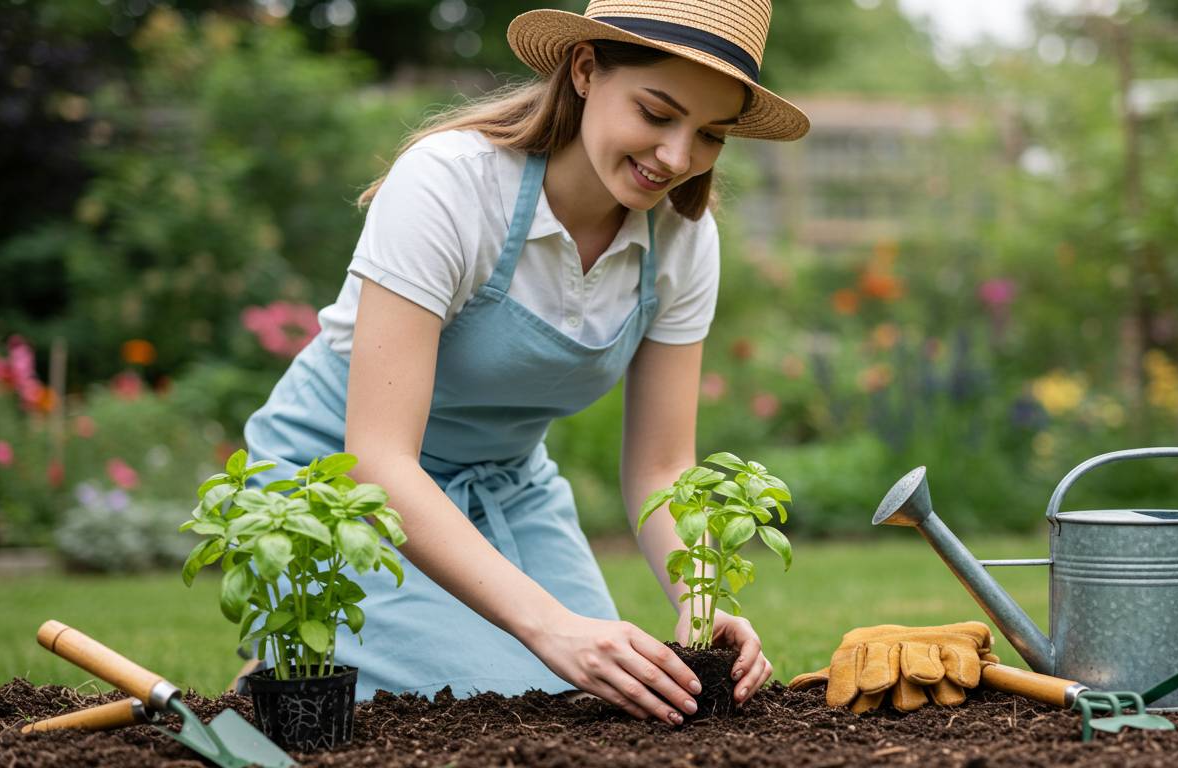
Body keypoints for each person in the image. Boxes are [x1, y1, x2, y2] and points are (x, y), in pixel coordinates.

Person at [242, 0, 809, 727]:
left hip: (506, 489)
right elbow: (377, 459)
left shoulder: (683, 240)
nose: (676, 157)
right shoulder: (451, 184)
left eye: (709, 134)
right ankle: (278, 664)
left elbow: (662, 469)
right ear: (583, 69)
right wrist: (548, 625)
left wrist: (703, 604)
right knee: (495, 707)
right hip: (338, 488)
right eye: (657, 113)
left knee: (605, 703)